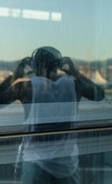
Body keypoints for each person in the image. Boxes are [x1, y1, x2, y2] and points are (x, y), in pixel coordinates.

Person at [0, 46, 104, 184]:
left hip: (35, 163)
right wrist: (75, 72)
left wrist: (15, 75)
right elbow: (99, 94)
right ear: (58, 66)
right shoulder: (73, 86)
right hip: (67, 165)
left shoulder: (26, 88)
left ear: (34, 65)